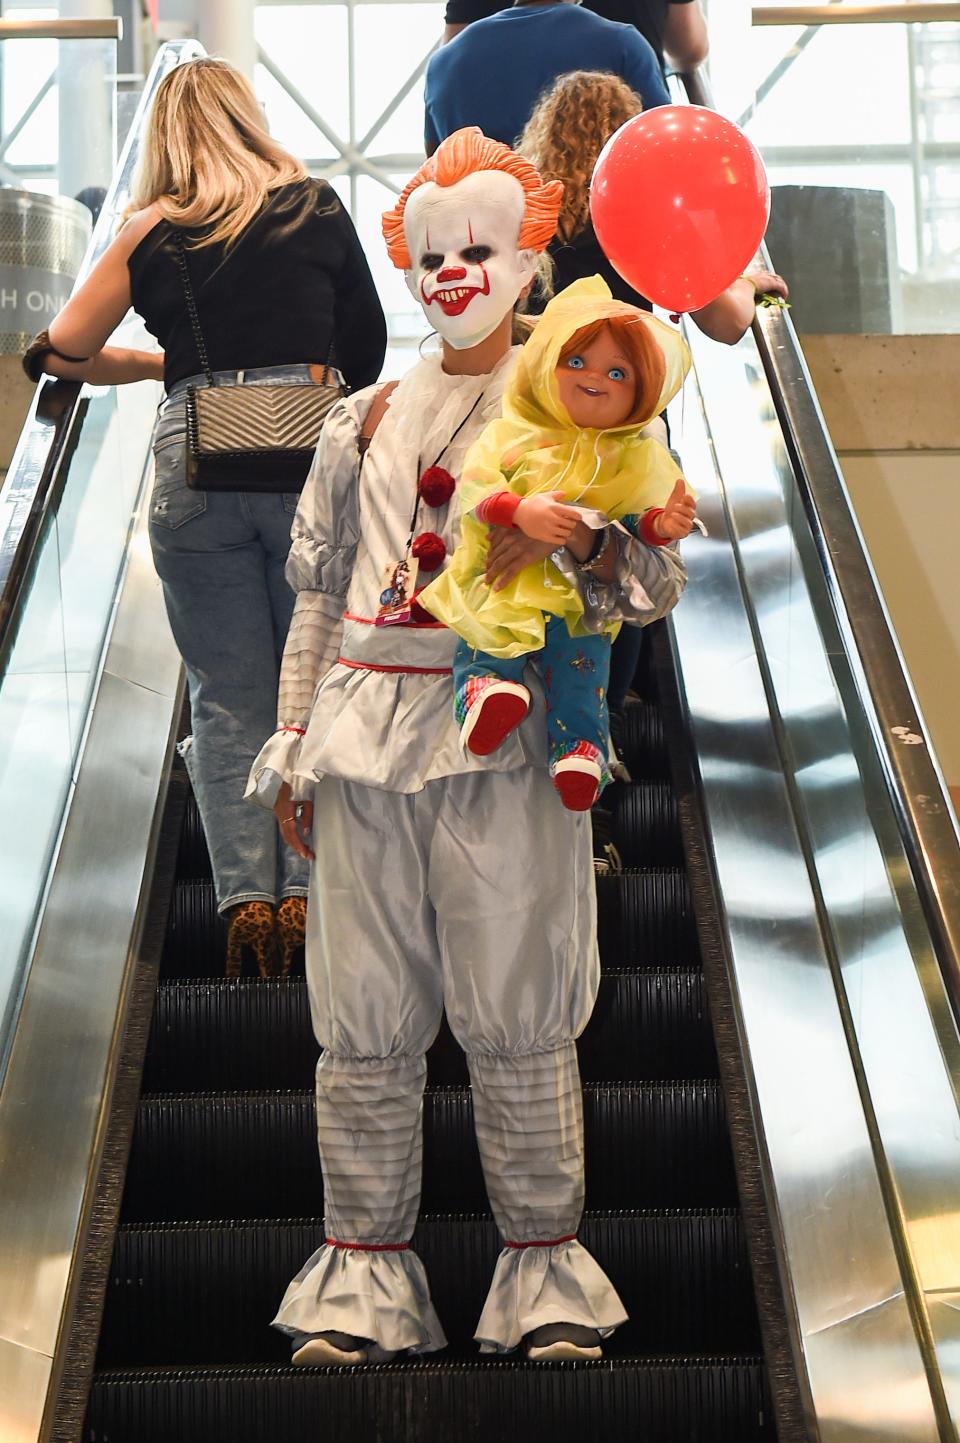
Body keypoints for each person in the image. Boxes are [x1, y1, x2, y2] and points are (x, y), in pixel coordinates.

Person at [246, 127, 688, 1366]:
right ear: (412, 262)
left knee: (519, 1013)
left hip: (507, 741)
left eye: (479, 249)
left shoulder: (587, 397)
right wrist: (292, 741)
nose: (456, 274)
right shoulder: (364, 418)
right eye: (435, 253)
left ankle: (544, 1281)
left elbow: (648, 585)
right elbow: (322, 598)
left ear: (526, 254)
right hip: (363, 740)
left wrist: (588, 544)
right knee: (366, 1021)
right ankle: (362, 1289)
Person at [27, 57, 387, 978]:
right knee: (319, 681)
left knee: (227, 691)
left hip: (197, 457)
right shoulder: (313, 204)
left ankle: (248, 910)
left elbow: (60, 350)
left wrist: (170, 367)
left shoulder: (150, 229)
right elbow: (369, 349)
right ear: (247, 116)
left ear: (167, 140)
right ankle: (312, 896)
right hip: (310, 461)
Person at [518, 69, 788, 723]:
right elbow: (726, 322)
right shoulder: (645, 201)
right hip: (630, 424)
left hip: (543, 423)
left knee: (540, 569)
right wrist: (749, 281)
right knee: (625, 565)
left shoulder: (529, 214)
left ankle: (547, 725)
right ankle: (604, 730)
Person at [420, 276, 695, 811]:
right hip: (504, 583)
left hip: (579, 605)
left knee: (585, 667)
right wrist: (520, 511)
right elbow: (478, 490)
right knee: (489, 636)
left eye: (618, 373)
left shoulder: (634, 454)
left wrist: (661, 525)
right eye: (577, 363)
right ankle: (483, 696)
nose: (595, 378)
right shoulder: (513, 433)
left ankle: (581, 749)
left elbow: (637, 522)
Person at [423, 0, 670, 154]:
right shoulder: (622, 44)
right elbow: (666, 146)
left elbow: (436, 169)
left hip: (475, 232)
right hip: (586, 231)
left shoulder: (444, 61)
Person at [441, 0, 708, 75]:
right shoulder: (627, 44)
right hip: (621, 148)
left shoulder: (451, 60)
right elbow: (690, 50)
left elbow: (451, 64)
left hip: (502, 170)